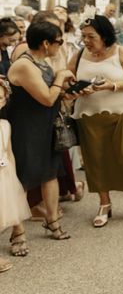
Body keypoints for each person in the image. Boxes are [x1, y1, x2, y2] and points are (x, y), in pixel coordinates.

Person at [69, 14, 123, 227]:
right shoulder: (78, 55)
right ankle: (104, 203)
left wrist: (110, 85)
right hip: (88, 116)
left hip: (121, 114)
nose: (86, 40)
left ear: (104, 35)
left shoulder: (121, 52)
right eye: (83, 36)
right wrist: (76, 91)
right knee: (95, 162)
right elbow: (67, 81)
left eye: (91, 36)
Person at [7, 22, 76, 243]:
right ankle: (17, 232)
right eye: (59, 41)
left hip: (46, 126)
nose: (60, 46)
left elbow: (53, 96)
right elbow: (46, 98)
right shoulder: (24, 65)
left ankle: (53, 220)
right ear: (45, 43)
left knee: (50, 174)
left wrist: (70, 91)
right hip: (26, 129)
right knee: (23, 179)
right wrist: (60, 76)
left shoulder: (42, 62)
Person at [0, 79, 32, 271]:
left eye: (1, 98)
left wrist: (13, 177)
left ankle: (18, 232)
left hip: (4, 174)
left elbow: (8, 152)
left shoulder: (5, 125)